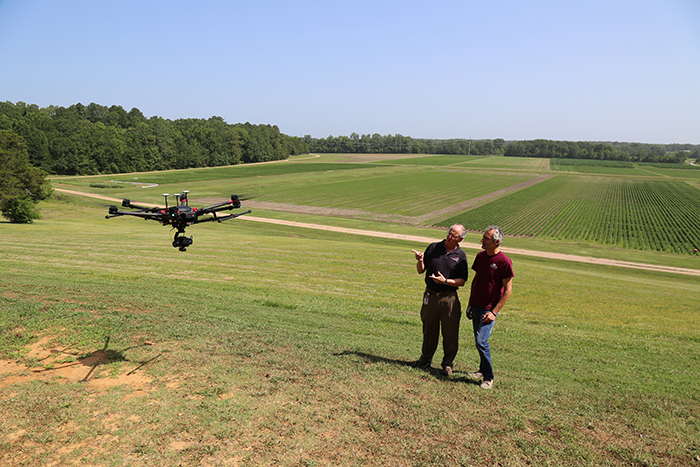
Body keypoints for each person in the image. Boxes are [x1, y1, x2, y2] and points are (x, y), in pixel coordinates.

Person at [410, 224, 468, 376]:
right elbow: (421, 270)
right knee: (429, 329)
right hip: (430, 296)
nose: (450, 236)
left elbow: (462, 281)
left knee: (450, 333)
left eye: (454, 235)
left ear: (460, 239)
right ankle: (425, 359)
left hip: (449, 299)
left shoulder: (460, 256)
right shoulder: (433, 247)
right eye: (450, 233)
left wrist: (445, 281)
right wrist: (420, 260)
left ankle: (447, 364)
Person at [466, 226, 514, 389]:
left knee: (481, 341)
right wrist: (470, 304)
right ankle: (481, 369)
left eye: (486, 238)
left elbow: (508, 291)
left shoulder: (504, 261)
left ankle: (488, 377)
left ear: (497, 242)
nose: (482, 240)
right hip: (476, 305)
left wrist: (494, 312)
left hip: (489, 309)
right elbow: (476, 281)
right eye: (483, 237)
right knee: (479, 340)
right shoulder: (480, 256)